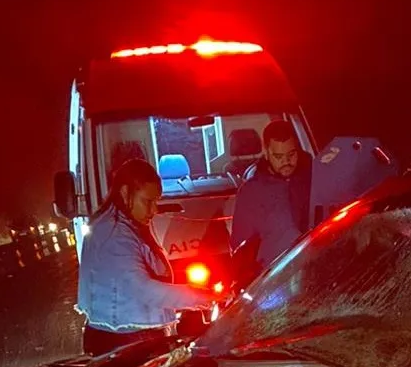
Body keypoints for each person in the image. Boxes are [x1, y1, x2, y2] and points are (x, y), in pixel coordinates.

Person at [76, 159, 217, 355]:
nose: (154, 210)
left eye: (156, 201)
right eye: (148, 201)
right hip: (126, 342)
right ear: (125, 193)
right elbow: (142, 289)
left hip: (127, 336)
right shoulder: (114, 233)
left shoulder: (123, 223)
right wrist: (201, 296)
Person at [230, 119, 313, 271]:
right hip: (273, 276)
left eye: (291, 154)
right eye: (278, 156)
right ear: (267, 153)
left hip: (315, 268)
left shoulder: (315, 178)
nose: (286, 162)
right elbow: (241, 246)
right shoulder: (252, 192)